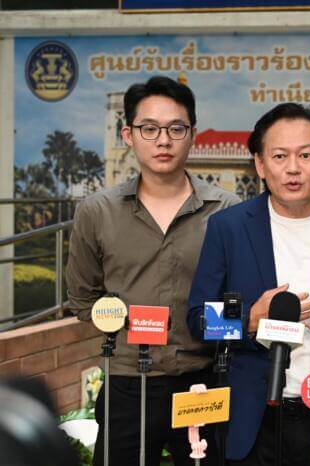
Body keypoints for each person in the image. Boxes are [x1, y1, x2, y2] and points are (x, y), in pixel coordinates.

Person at [187, 103, 310, 466]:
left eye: (306, 155)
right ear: (260, 164)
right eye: (280, 156)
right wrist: (250, 319)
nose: (293, 168)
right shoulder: (228, 228)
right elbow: (198, 319)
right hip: (254, 418)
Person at [67, 76, 240, 466]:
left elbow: (239, 298)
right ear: (128, 135)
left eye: (176, 128)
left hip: (203, 379)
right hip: (128, 381)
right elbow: (82, 299)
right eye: (149, 129)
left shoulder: (227, 210)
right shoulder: (97, 211)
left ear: (192, 134)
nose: (163, 140)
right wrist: (124, 325)